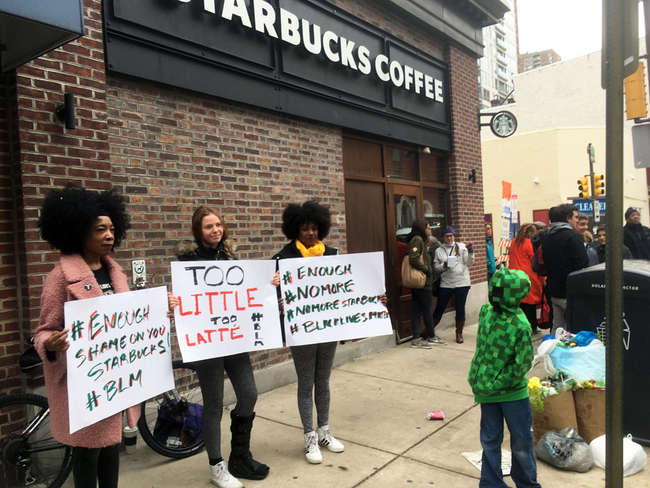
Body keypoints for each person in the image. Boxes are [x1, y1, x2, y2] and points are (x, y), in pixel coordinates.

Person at [34, 184, 174, 488]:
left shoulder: (117, 272)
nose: (109, 235)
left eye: (112, 228)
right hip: (84, 384)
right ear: (79, 231)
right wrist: (51, 343)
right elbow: (43, 331)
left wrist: (161, 309)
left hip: (114, 380)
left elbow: (130, 319)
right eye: (100, 229)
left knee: (112, 449)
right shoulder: (60, 278)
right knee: (87, 454)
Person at [273, 201, 386, 464]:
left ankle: (324, 429)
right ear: (295, 230)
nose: (310, 233)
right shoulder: (283, 259)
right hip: (302, 330)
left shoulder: (333, 255)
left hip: (328, 329)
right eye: (304, 229)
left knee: (322, 380)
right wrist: (277, 297)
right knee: (306, 382)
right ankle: (309, 436)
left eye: (314, 228)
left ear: (321, 228)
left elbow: (348, 287)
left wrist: (374, 299)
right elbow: (269, 294)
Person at [175, 205, 272, 488]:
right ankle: (216, 465)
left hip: (234, 338)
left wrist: (268, 284)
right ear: (198, 231)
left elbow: (247, 291)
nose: (215, 230)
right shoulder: (186, 263)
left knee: (249, 394)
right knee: (214, 405)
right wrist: (173, 303)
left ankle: (239, 455)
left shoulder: (231, 257)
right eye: (208, 226)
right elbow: (186, 300)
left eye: (218, 225)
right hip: (208, 344)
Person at [467, 268, 541, 488]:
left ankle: (517, 484)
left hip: (501, 392)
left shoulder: (514, 322)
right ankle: (498, 483)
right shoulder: (491, 313)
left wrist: (490, 382)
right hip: (496, 393)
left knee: (508, 442)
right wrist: (488, 382)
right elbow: (486, 349)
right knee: (502, 441)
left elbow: (521, 364)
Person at [541, 204, 589, 335]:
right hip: (571, 292)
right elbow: (583, 263)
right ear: (568, 219)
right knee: (574, 328)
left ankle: (554, 350)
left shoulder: (547, 237)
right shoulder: (573, 236)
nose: (577, 220)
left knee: (558, 326)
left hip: (554, 291)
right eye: (576, 217)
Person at [406, 219, 447, 348]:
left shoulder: (417, 239)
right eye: (428, 228)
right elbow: (413, 258)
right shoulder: (417, 239)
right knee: (427, 309)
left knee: (417, 310)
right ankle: (431, 336)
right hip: (422, 281)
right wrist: (427, 270)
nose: (429, 230)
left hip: (419, 281)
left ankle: (416, 339)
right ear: (422, 228)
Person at [433, 227, 474, 344]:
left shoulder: (461, 247)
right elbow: (436, 269)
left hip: (462, 282)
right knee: (440, 307)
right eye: (447, 236)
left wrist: (471, 252)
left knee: (460, 308)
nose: (449, 238)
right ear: (443, 238)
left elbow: (470, 262)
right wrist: (444, 266)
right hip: (446, 283)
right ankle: (430, 331)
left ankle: (459, 333)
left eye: (451, 236)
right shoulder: (439, 251)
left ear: (454, 236)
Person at [508, 223, 545, 334]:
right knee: (531, 304)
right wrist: (543, 278)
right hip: (529, 277)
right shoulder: (529, 243)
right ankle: (531, 326)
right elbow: (536, 260)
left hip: (515, 276)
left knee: (520, 303)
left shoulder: (514, 242)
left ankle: (519, 326)